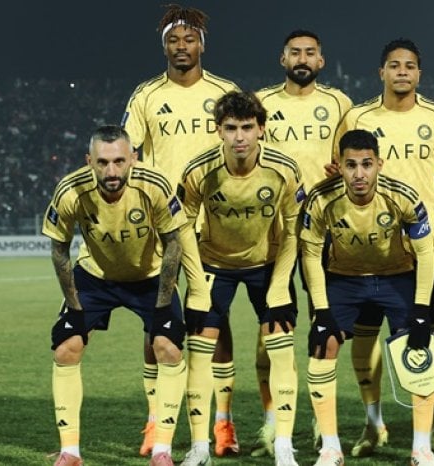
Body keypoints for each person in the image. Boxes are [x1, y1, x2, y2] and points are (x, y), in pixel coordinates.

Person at [121, 4, 241, 458]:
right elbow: (128, 151)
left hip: (216, 224)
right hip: (162, 227)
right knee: (158, 320)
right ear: (164, 46)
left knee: (215, 321)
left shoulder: (225, 92)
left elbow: (247, 146)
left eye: (189, 39)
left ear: (201, 46)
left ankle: (223, 422)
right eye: (173, 39)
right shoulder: (147, 95)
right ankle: (156, 421)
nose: (181, 46)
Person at [332, 38, 434, 458]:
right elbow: (342, 169)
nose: (402, 72)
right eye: (394, 65)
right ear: (381, 72)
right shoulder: (358, 117)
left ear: (419, 73)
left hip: (423, 249)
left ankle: (433, 430)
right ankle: (373, 424)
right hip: (368, 247)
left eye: (409, 66)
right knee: (364, 340)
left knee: (429, 340)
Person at [46, 125, 195, 466]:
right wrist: (74, 305)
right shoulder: (70, 190)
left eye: (118, 161)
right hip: (95, 277)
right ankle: (70, 452)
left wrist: (163, 305)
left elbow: (174, 243)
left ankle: (161, 450)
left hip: (149, 277)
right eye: (102, 162)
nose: (111, 171)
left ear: (133, 159)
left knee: (168, 347)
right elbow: (59, 249)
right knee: (67, 347)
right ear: (89, 161)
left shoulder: (154, 185)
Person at [177, 91, 304, 466]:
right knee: (199, 351)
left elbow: (294, 231)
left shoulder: (283, 169)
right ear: (218, 130)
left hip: (267, 264)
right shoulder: (198, 170)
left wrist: (280, 286)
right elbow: (183, 227)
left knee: (281, 348)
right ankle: (200, 447)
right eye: (231, 128)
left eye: (247, 127)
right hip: (214, 265)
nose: (239, 137)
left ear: (261, 129)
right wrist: (196, 286)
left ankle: (283, 445)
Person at [302, 129, 434, 466]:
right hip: (345, 279)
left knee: (420, 348)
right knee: (323, 343)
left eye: (366, 164)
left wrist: (422, 308)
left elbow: (425, 252)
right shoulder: (321, 198)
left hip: (396, 276)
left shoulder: (402, 196)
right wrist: (322, 311)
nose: (359, 174)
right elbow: (310, 254)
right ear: (339, 166)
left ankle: (421, 449)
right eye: (351, 165)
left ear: (379, 163)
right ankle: (331, 447)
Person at [253, 30, 352, 457]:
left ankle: (318, 420)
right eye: (295, 52)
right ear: (283, 59)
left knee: (324, 325)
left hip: (325, 229)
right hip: (272, 230)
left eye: (310, 52)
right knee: (269, 327)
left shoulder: (339, 103)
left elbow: (352, 157)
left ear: (321, 61)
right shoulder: (261, 102)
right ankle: (272, 422)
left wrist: (339, 168)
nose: (302, 58)